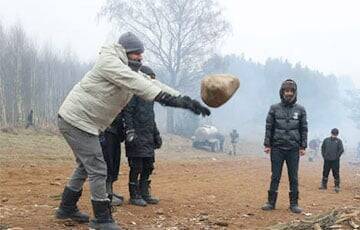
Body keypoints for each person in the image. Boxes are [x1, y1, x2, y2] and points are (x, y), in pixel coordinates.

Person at [55, 32, 210, 230]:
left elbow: (152, 83)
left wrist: (186, 101)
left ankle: (66, 208)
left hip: (85, 122)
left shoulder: (129, 68)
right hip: (76, 121)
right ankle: (102, 219)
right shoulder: (110, 63)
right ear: (125, 52)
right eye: (136, 53)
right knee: (97, 168)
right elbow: (138, 84)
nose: (141, 57)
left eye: (141, 53)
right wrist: (169, 100)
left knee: (85, 166)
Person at [261, 79, 308, 214]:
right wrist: (267, 144)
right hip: (277, 148)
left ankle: (294, 204)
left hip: (293, 148)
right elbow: (269, 127)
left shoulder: (301, 110)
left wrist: (303, 146)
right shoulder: (274, 108)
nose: (288, 93)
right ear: (282, 92)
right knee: (275, 176)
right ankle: (271, 202)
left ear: (294, 93)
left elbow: (303, 128)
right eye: (286, 91)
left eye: (291, 91)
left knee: (293, 176)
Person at [122, 65, 161, 207]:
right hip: (136, 137)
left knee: (149, 166)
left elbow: (152, 118)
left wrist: (156, 135)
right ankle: (134, 195)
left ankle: (144, 192)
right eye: (150, 78)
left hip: (148, 137)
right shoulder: (133, 94)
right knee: (136, 166)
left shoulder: (150, 97)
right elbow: (127, 112)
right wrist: (130, 131)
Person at [99, 113, 125, 207]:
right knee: (108, 162)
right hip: (105, 130)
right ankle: (106, 194)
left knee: (114, 162)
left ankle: (110, 191)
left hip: (115, 131)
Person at [319, 128, 344, 193]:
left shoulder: (339, 141)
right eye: (333, 134)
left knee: (336, 173)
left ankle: (337, 186)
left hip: (335, 161)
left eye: (335, 135)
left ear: (337, 135)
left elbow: (341, 150)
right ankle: (324, 186)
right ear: (331, 133)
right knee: (325, 172)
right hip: (327, 160)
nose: (334, 136)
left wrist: (336, 157)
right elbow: (322, 148)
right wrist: (324, 156)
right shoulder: (326, 140)